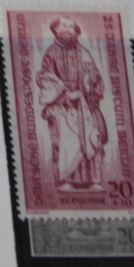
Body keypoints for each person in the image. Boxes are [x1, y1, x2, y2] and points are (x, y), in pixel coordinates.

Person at [37, 17, 108, 191]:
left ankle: (93, 180)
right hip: (61, 104)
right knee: (65, 136)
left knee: (91, 136)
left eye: (71, 27)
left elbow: (96, 78)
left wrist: (90, 85)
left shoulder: (84, 53)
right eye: (64, 26)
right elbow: (45, 78)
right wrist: (65, 96)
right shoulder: (51, 53)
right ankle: (66, 180)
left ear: (76, 32)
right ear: (56, 30)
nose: (68, 29)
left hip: (84, 104)